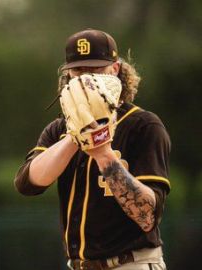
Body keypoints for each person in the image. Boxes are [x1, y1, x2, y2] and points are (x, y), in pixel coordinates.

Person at [14, 29, 171, 270]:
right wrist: (75, 137)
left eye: (95, 69)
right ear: (68, 74)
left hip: (131, 264)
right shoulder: (60, 129)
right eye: (78, 70)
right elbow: (28, 184)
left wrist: (102, 152)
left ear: (115, 69)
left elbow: (147, 217)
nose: (86, 78)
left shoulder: (142, 125)